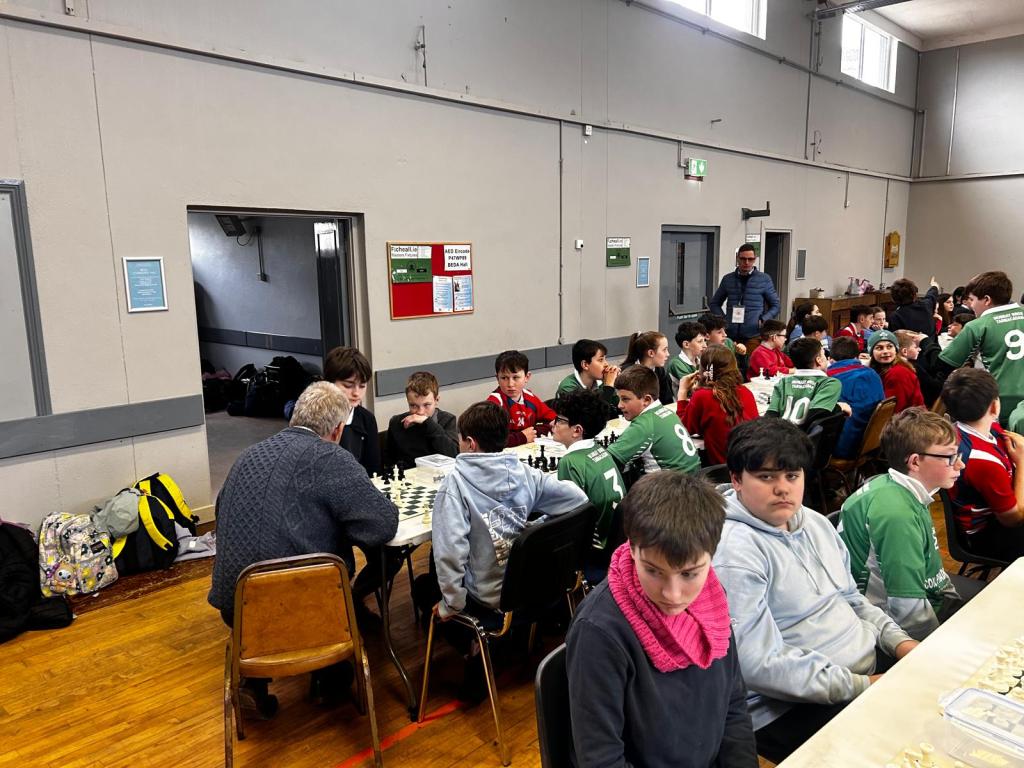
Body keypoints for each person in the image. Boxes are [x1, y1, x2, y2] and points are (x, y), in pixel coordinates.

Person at [712, 419, 917, 763]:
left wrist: (900, 642)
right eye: (766, 477)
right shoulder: (733, 554)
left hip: (860, 669)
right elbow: (758, 664)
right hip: (790, 705)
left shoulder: (815, 522)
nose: (783, 489)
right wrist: (863, 686)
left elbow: (851, 599)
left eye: (792, 476)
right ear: (736, 480)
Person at [209, 382, 399, 717]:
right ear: (337, 429)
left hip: (236, 607)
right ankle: (329, 677)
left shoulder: (248, 456)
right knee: (333, 597)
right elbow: (381, 526)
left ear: (295, 416)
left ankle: (254, 679)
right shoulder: (331, 457)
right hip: (303, 609)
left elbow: (224, 514)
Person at [566, 472, 758, 768]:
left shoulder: (711, 597)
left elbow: (733, 705)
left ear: (712, 555)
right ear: (632, 548)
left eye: (689, 574)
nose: (673, 594)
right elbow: (601, 758)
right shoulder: (599, 632)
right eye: (653, 571)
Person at [426, 401, 587, 696]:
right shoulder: (524, 472)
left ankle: (476, 650)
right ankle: (505, 644)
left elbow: (450, 554)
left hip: (491, 596)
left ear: (470, 443)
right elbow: (577, 500)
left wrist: (451, 606)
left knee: (424, 588)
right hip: (534, 587)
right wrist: (535, 530)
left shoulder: (456, 484)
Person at [838, 408, 968, 640]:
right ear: (915, 462)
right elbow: (908, 611)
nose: (960, 465)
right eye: (950, 457)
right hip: (893, 624)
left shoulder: (896, 487)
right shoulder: (897, 514)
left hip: (927, 597)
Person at [942, 368, 1024, 562]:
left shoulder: (984, 428)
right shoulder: (982, 461)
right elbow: (1013, 519)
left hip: (996, 516)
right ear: (994, 406)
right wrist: (1022, 463)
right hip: (988, 535)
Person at [552, 389, 627, 580]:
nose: (553, 424)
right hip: (617, 542)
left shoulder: (570, 462)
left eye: (559, 420)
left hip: (596, 551)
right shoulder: (600, 449)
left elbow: (568, 519)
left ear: (577, 430)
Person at [939, 271, 1024, 427]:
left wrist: (925, 342)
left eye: (972, 299)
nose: (970, 305)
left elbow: (946, 363)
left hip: (998, 402)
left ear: (986, 300)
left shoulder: (977, 325)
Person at [608, 365, 700, 475]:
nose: (619, 405)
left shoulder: (644, 424)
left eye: (625, 399)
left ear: (646, 400)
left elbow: (606, 462)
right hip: (695, 480)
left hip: (670, 484)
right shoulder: (668, 413)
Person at [676, 344, 758, 465]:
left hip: (724, 470)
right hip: (751, 465)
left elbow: (682, 430)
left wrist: (682, 392)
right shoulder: (746, 392)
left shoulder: (703, 396)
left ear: (703, 370)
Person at [324, 346, 382, 476]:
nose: (356, 393)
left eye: (362, 386)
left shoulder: (367, 419)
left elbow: (374, 471)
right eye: (348, 385)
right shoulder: (314, 418)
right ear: (329, 383)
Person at [384, 371, 458, 469]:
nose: (420, 412)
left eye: (426, 405)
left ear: (436, 400)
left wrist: (428, 423)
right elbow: (389, 462)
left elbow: (453, 455)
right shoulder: (396, 423)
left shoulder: (447, 420)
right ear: (408, 401)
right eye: (413, 405)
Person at [765, 337, 846, 427]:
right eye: (824, 354)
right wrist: (838, 408)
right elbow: (818, 413)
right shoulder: (830, 383)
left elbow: (770, 415)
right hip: (802, 434)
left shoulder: (783, 382)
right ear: (819, 360)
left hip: (778, 432)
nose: (827, 358)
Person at [827, 336, 885, 459]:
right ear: (857, 357)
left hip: (842, 448)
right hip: (872, 444)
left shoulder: (829, 380)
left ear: (831, 360)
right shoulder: (873, 374)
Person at [709, 244, 781, 343]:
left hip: (754, 335)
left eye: (750, 259)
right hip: (730, 335)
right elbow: (714, 303)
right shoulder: (728, 279)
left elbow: (776, 305)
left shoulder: (764, 279)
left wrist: (764, 319)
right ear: (737, 258)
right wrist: (723, 320)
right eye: (743, 259)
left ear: (755, 259)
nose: (746, 262)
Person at [486, 349, 556, 447]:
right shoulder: (494, 403)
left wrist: (534, 431)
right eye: (504, 378)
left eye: (515, 378)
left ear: (527, 377)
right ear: (497, 378)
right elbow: (490, 440)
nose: (510, 384)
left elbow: (555, 422)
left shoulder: (531, 398)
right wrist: (522, 437)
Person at [556, 338, 621, 418]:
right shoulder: (568, 388)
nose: (606, 364)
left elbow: (618, 408)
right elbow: (595, 418)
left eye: (605, 359)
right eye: (601, 360)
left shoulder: (601, 382)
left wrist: (615, 383)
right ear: (585, 365)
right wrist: (608, 387)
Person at [869, 330, 924, 413]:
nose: (885, 351)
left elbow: (892, 411)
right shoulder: (882, 369)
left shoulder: (898, 373)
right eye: (879, 348)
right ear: (871, 352)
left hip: (909, 419)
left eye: (889, 347)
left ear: (896, 350)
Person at [622, 331, 674, 406]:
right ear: (651, 353)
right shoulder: (627, 373)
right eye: (664, 350)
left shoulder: (660, 371)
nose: (668, 354)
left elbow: (667, 401)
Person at [896, 330, 943, 407]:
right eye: (916, 347)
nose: (920, 349)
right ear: (904, 351)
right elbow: (935, 389)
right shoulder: (913, 368)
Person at [666, 321, 707, 392]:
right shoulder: (676, 363)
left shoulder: (700, 361)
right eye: (700, 341)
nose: (705, 345)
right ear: (686, 344)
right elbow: (693, 390)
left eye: (705, 340)